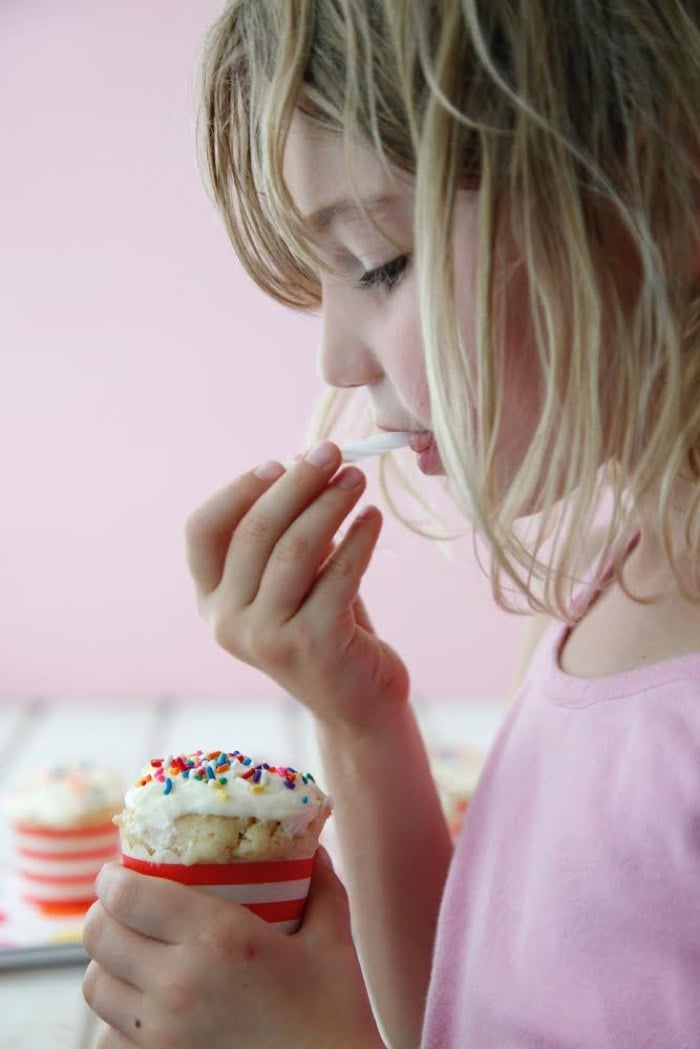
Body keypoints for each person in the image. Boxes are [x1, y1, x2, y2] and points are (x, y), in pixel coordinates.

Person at [81, 1, 700, 1046]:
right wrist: (362, 721)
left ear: (662, 191)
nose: (335, 360)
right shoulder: (627, 572)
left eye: (379, 261)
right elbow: (462, 1015)